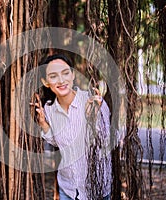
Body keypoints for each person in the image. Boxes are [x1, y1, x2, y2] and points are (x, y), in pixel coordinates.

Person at [31, 54, 112, 200]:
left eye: (65, 73)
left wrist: (93, 118)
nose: (61, 80)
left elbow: (106, 141)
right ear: (45, 82)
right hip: (67, 188)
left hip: (97, 188)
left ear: (73, 75)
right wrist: (43, 124)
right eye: (53, 76)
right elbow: (58, 142)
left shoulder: (93, 101)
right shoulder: (49, 109)